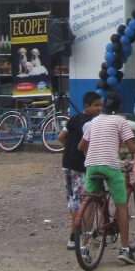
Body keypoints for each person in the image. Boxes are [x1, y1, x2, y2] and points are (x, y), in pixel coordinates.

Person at [78, 91, 135, 265]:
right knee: (121, 206)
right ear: (119, 107)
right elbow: (133, 148)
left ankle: (84, 245)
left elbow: (81, 145)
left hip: (91, 165)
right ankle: (125, 249)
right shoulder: (121, 121)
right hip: (109, 166)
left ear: (103, 105)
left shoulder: (94, 121)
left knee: (91, 199)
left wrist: (93, 151)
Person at [57, 91, 102, 250]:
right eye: (96, 105)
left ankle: (72, 237)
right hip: (81, 167)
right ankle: (83, 237)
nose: (99, 108)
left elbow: (61, 137)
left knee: (73, 203)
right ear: (87, 106)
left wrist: (69, 150)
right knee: (86, 201)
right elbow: (89, 145)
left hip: (67, 164)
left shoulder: (74, 118)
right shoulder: (90, 123)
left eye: (100, 105)